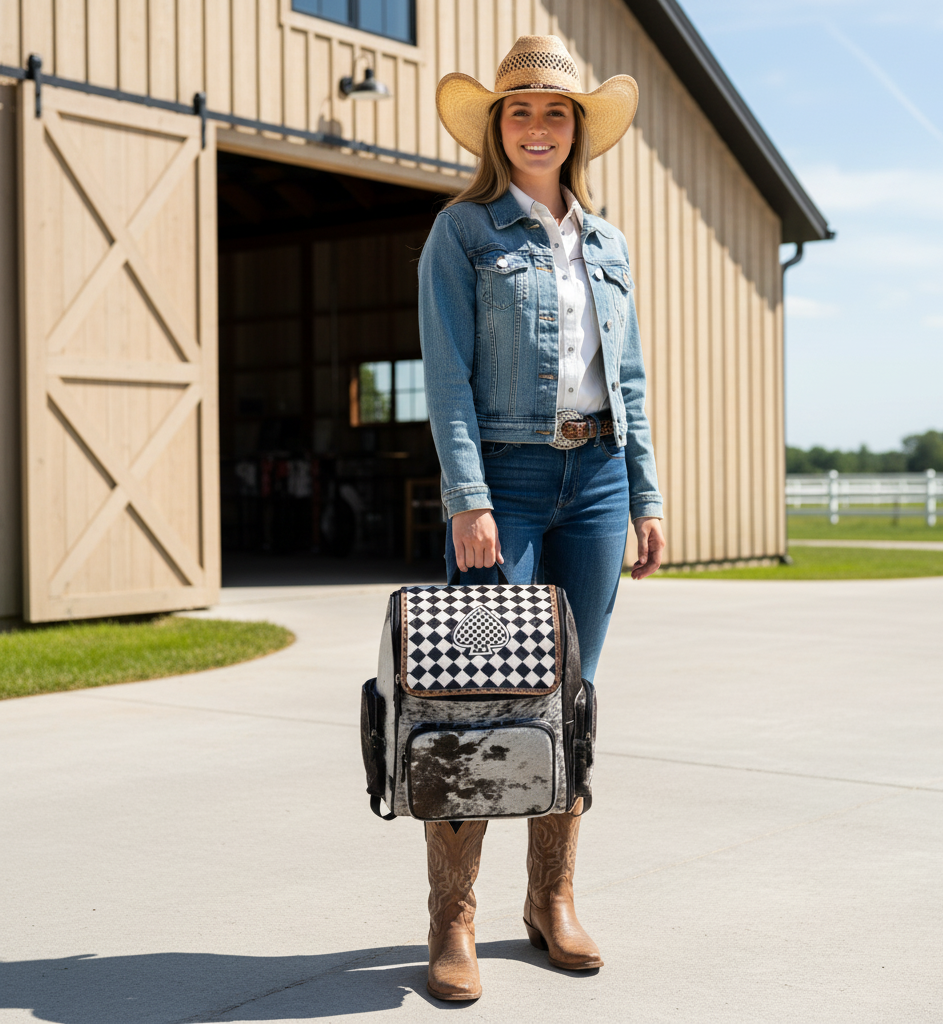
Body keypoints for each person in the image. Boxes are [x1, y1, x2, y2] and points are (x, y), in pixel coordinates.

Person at [416, 35, 666, 1001]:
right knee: (480, 695)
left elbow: (628, 380)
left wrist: (643, 493)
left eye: (553, 112)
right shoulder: (465, 232)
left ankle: (550, 899)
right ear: (496, 127)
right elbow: (447, 380)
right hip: (509, 483)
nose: (535, 127)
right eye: (517, 111)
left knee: (572, 697)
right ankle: (454, 917)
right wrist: (468, 496)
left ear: (577, 130)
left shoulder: (606, 243)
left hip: (597, 481)